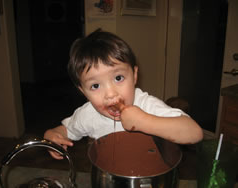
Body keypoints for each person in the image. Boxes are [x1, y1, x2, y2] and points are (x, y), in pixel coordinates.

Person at [44, 28, 203, 159]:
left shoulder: (147, 106)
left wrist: (143, 121)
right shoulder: (88, 114)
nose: (110, 94)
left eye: (118, 78)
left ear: (134, 76)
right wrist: (51, 135)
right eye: (95, 85)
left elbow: (194, 133)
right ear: (83, 91)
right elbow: (63, 130)